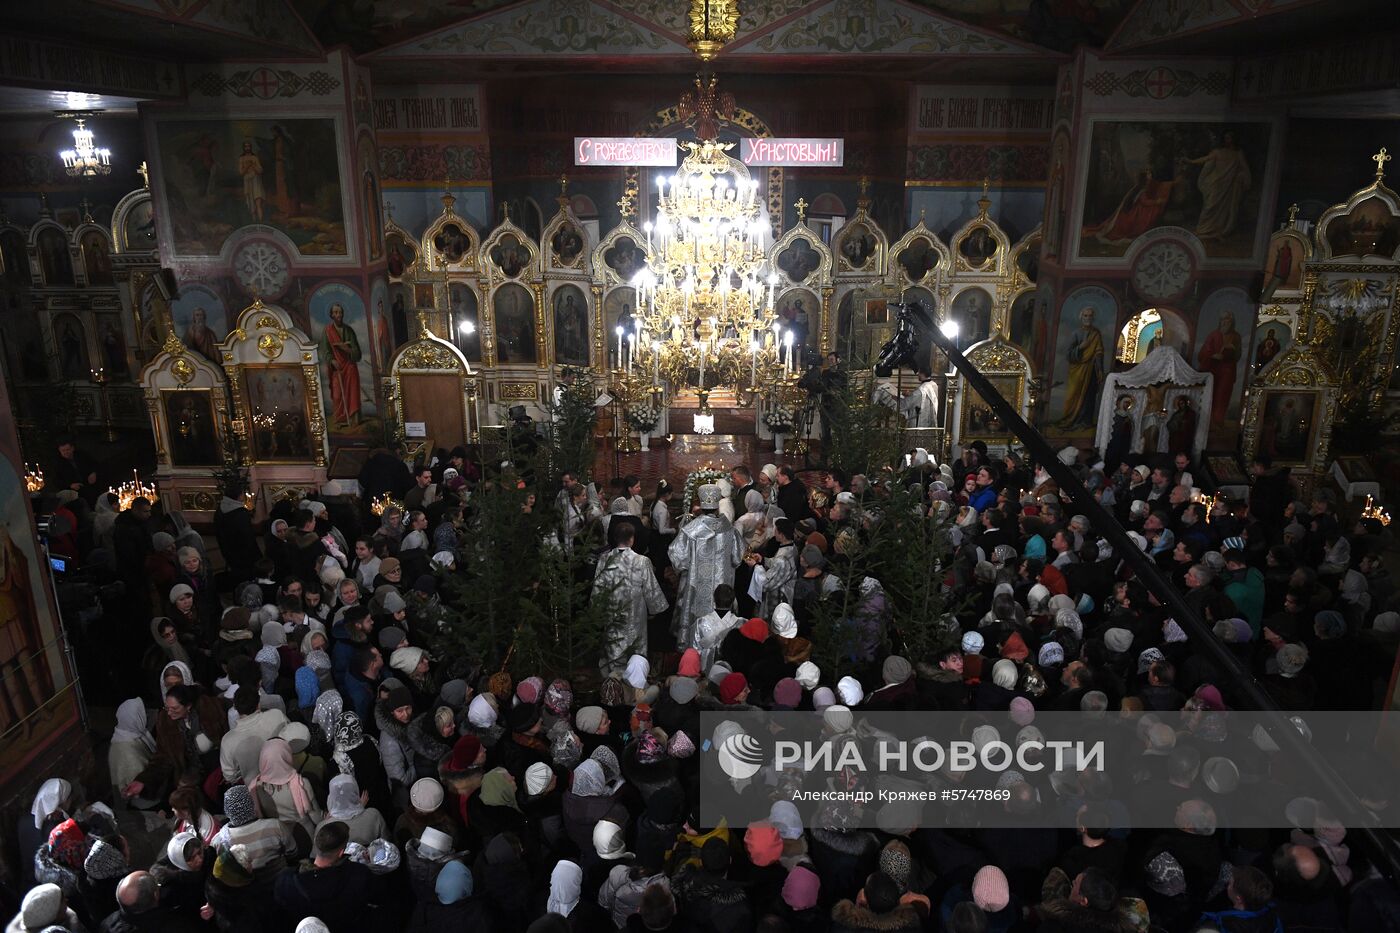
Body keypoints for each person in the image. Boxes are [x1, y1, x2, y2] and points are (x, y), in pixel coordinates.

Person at [668, 484, 744, 650]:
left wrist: (684, 569)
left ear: (701, 505)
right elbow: (738, 558)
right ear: (717, 504)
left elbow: (677, 556)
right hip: (722, 586)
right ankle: (726, 646)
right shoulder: (729, 529)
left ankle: (692, 647)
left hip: (696, 585)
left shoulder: (690, 530)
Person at [595, 523, 668, 674]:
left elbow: (598, 587)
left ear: (615, 539)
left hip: (612, 611)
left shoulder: (604, 559)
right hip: (635, 613)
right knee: (635, 645)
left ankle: (613, 678)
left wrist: (595, 609)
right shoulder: (642, 561)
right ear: (632, 539)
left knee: (614, 643)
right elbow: (650, 588)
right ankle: (635, 678)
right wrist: (655, 609)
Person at [1057, 306, 1106, 429]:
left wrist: (1100, 369)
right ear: (1081, 317)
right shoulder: (1076, 333)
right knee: (1074, 394)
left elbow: (1099, 351)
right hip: (1077, 370)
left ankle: (1085, 422)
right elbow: (1068, 354)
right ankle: (1071, 418)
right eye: (1085, 315)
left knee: (1089, 395)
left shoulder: (1096, 334)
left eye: (1090, 315)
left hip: (1092, 369)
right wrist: (1080, 347)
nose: (1088, 318)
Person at [320, 303, 363, 429]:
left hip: (349, 365)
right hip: (336, 367)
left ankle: (354, 417)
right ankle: (340, 419)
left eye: (340, 312)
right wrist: (332, 360)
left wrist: (347, 349)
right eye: (336, 312)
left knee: (352, 391)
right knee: (338, 394)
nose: (339, 315)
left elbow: (357, 352)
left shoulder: (349, 331)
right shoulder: (327, 331)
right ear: (332, 315)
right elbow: (325, 350)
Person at [1198, 312, 1242, 428]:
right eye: (1222, 320)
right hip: (1212, 369)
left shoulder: (1236, 336)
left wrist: (1231, 351)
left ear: (1231, 322)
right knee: (1210, 394)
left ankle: (1218, 420)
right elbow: (1203, 353)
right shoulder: (1213, 335)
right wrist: (1213, 355)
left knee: (1222, 396)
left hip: (1227, 372)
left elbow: (1238, 355)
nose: (1224, 322)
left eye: (1227, 320)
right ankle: (1206, 421)